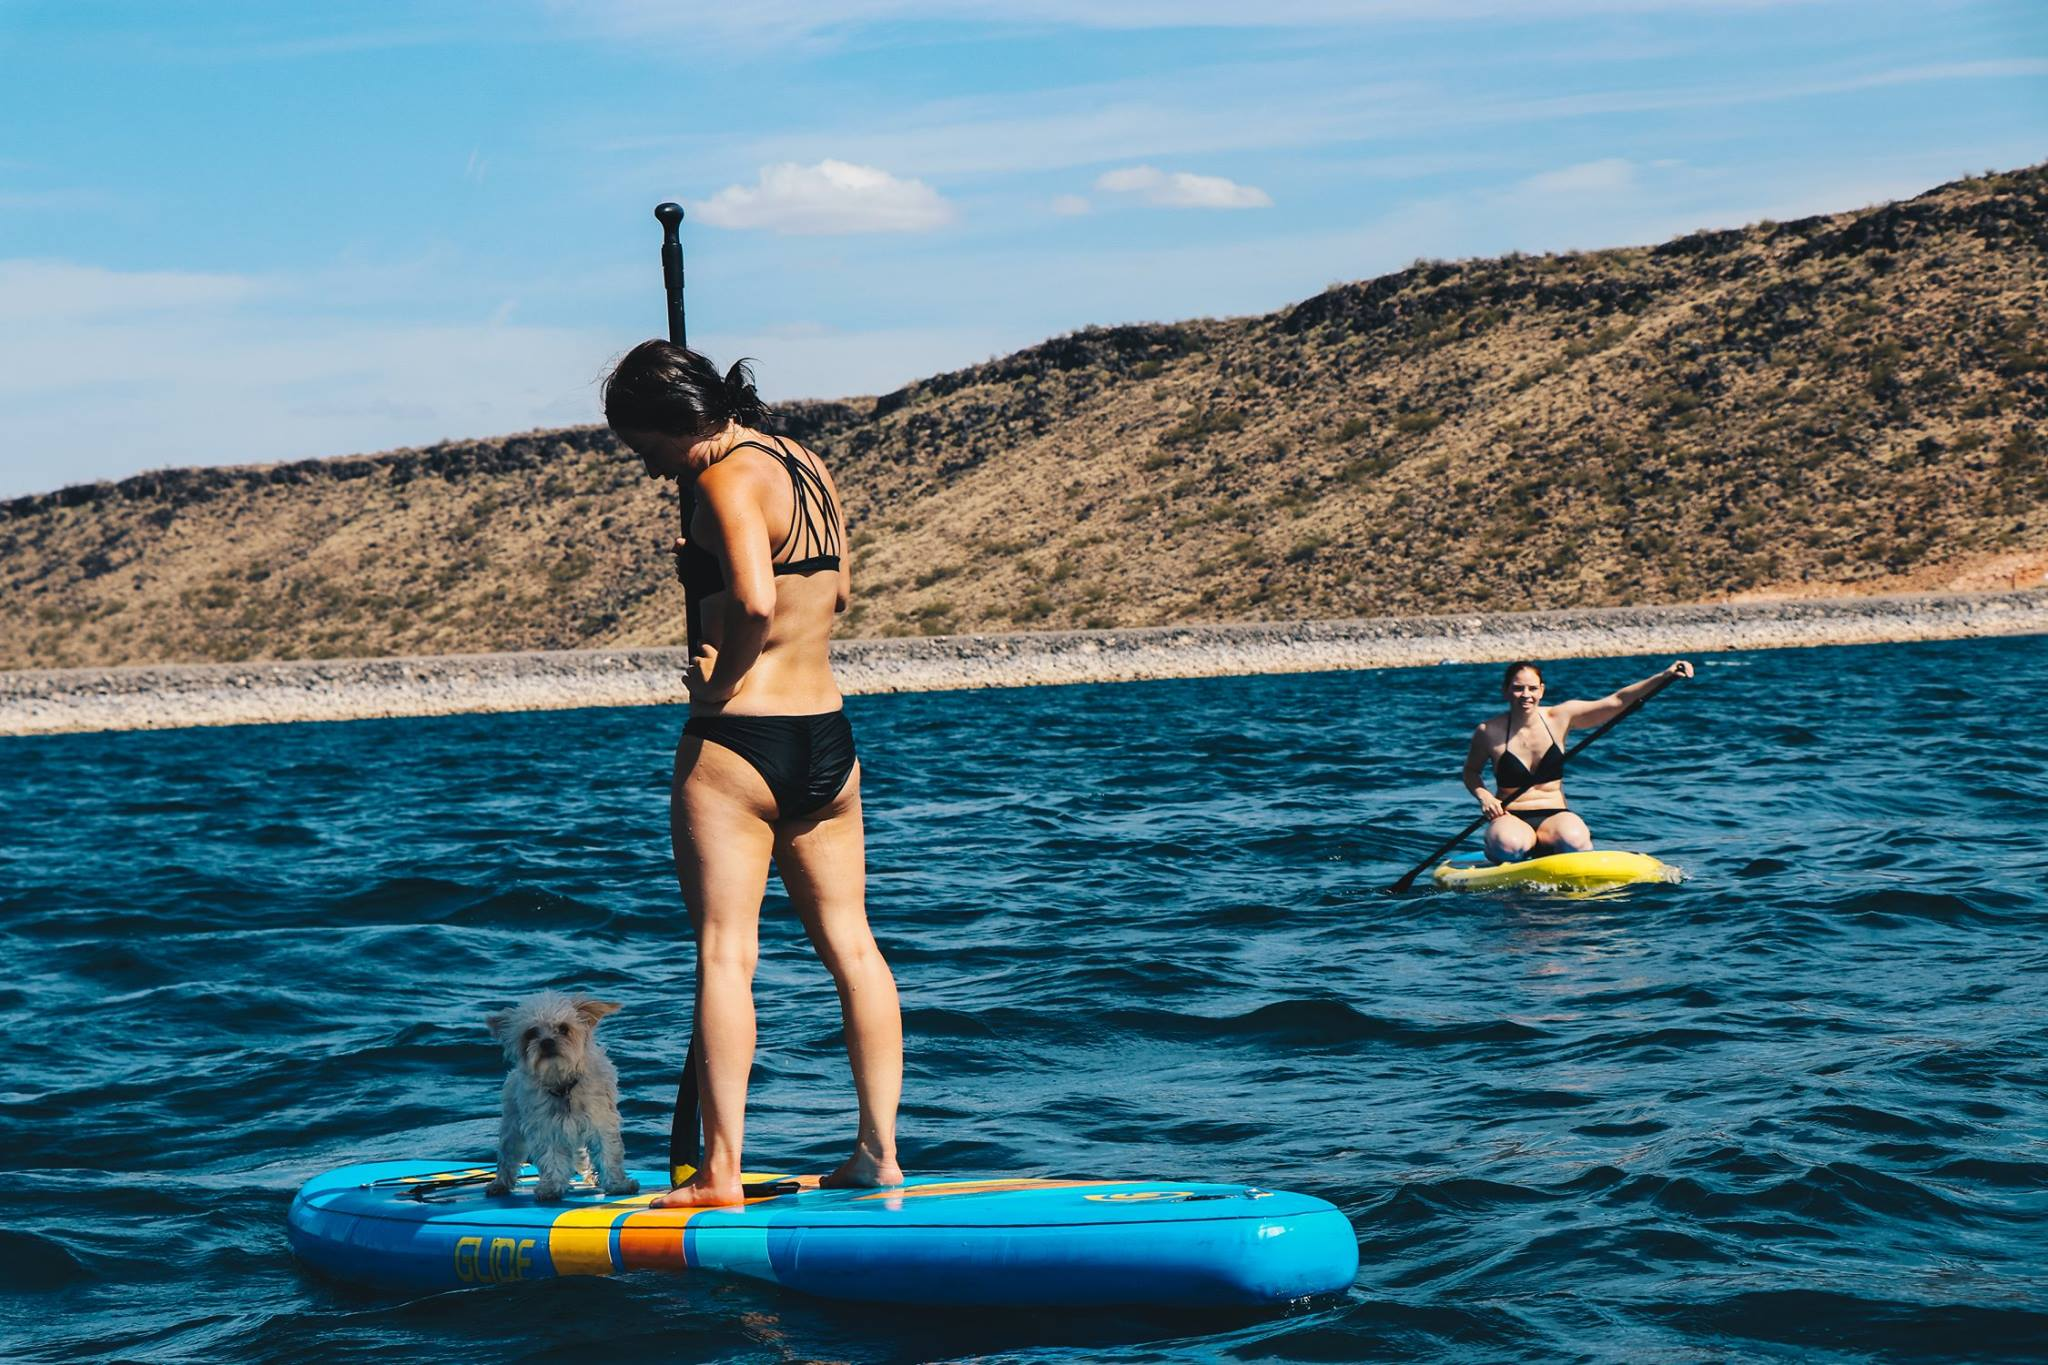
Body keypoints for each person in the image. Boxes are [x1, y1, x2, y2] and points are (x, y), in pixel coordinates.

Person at [603, 340, 902, 1207]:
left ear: (677, 424)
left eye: (648, 451)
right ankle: (877, 1154)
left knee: (726, 955)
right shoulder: (805, 463)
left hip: (739, 745)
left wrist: (722, 676)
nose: (654, 471)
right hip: (828, 739)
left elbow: (758, 599)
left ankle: (721, 1174)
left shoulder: (723, 479)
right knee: (854, 946)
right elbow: (832, 596)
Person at [1462, 659, 1694, 863]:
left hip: (1554, 814)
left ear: (1542, 691)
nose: (1526, 695)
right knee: (1508, 844)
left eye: (1532, 688)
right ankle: (1500, 850)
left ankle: (1550, 851)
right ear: (1504, 691)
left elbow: (1617, 701)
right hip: (1510, 816)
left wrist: (1665, 676)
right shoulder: (1487, 731)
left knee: (1574, 840)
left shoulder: (1561, 717)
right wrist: (1485, 797)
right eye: (1518, 688)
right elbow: (1471, 772)